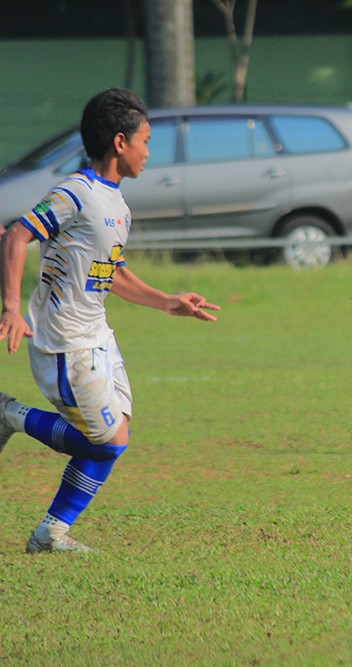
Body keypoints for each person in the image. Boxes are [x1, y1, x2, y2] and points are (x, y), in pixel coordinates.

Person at [0, 87, 221, 552]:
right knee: (104, 442)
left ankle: (51, 534)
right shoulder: (75, 192)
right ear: (120, 143)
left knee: (116, 435)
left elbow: (111, 273)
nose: (148, 152)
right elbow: (17, 237)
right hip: (64, 342)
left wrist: (166, 300)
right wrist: (13, 307)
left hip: (98, 336)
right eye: (144, 141)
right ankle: (9, 415)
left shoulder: (117, 205)